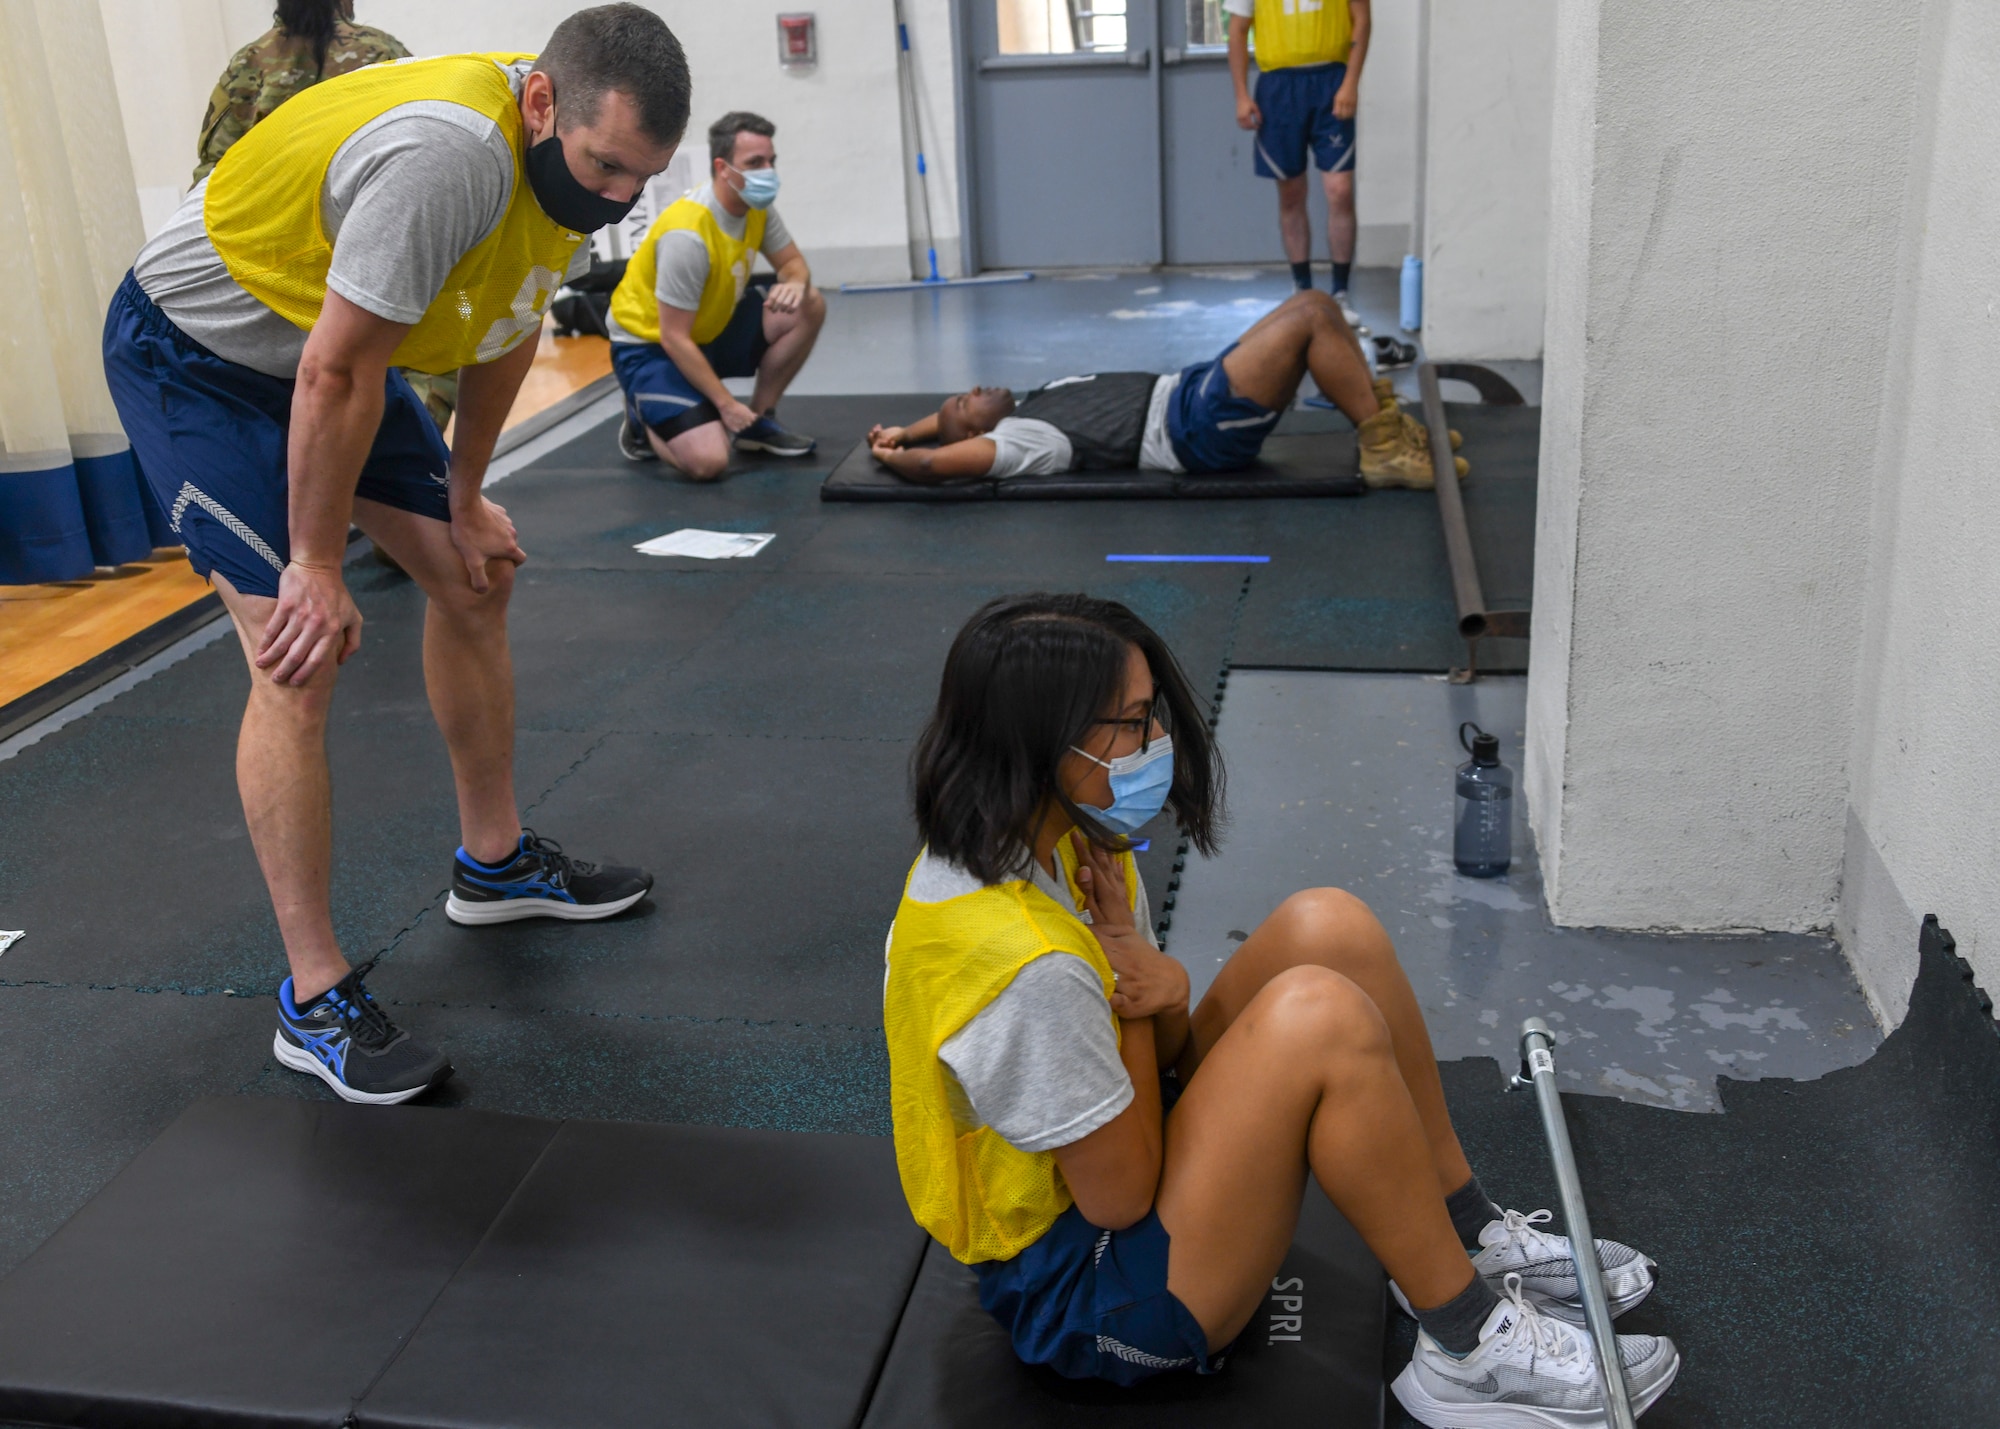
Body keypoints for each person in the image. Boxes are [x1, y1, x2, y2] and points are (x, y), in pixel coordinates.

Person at [885, 593, 1683, 1425]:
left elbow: (1159, 1058)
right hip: (1094, 1298)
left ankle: (1467, 1230)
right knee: (1322, 1020)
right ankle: (1466, 1347)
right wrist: (1130, 998)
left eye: (1151, 710)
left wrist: (1163, 988)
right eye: (1128, 722)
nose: (1155, 739)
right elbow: (1119, 1198)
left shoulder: (1065, 839)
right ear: (1045, 742)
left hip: (1121, 1180)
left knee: (1329, 927)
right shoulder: (1024, 961)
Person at [100, 5, 686, 1105]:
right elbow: (332, 377)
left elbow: (506, 326)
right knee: (297, 649)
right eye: (605, 167)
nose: (613, 196)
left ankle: (495, 862)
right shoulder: (444, 160)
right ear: (542, 102)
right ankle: (313, 998)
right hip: (199, 356)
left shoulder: (568, 169)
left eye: (635, 181)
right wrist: (315, 563)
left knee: (479, 573)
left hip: (326, 349)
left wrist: (466, 496)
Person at [864, 291, 1464, 490]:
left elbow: (941, 430)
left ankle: (1387, 431)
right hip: (1195, 432)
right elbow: (941, 462)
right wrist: (897, 458)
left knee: (1318, 308)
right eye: (966, 401)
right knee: (1309, 314)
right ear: (978, 432)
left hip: (1193, 392)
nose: (972, 387)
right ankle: (1384, 451)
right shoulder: (1022, 439)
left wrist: (903, 428)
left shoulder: (1030, 403)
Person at [193, 1, 457, 434]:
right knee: (434, 341)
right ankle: (409, 451)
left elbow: (211, 182)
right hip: (373, 255)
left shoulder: (248, 64)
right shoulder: (384, 55)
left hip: (272, 271)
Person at [609, 110, 826, 479]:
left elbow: (793, 264)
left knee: (808, 303)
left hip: (708, 330)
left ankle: (757, 422)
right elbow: (672, 337)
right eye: (755, 163)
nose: (768, 172)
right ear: (723, 167)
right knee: (709, 462)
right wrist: (726, 406)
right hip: (651, 347)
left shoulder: (757, 207)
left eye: (771, 161)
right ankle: (642, 417)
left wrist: (793, 281)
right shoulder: (688, 235)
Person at [1228, 0, 1371, 325]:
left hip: (1330, 80)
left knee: (1339, 190)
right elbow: (1237, 31)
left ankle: (1340, 292)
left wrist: (1351, 82)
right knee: (1291, 193)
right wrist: (1241, 95)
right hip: (1278, 86)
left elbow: (1361, 19)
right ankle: (1302, 289)